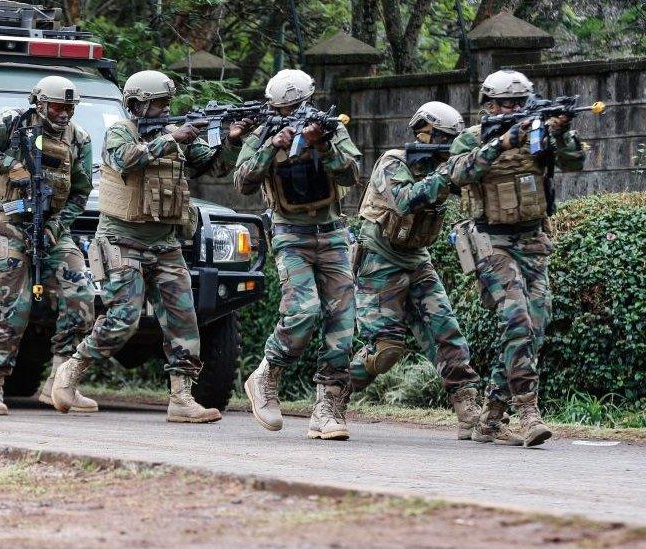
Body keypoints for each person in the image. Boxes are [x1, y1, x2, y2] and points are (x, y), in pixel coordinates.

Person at [52, 70, 253, 423]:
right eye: (158, 104)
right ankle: (69, 373)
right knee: (122, 320)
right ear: (136, 105)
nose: (164, 110)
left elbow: (212, 165)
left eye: (166, 104)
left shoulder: (173, 136)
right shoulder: (120, 133)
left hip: (164, 242)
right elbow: (125, 160)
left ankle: (181, 397)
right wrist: (172, 137)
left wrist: (229, 138)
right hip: (121, 240)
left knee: (183, 319)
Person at [447, 69, 588, 447]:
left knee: (533, 329)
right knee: (517, 323)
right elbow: (458, 173)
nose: (513, 108)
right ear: (488, 105)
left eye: (520, 103)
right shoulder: (471, 139)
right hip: (491, 243)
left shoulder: (540, 136)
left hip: (533, 241)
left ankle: (492, 416)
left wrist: (560, 131)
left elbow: (575, 161)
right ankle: (528, 412)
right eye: (505, 103)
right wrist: (504, 142)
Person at [234, 68, 362, 440]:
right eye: (285, 109)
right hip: (290, 234)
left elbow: (352, 175)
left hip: (333, 234)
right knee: (302, 312)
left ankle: (327, 408)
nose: (293, 114)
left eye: (298, 106)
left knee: (343, 325)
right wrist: (273, 145)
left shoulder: (331, 130)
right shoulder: (263, 134)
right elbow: (243, 182)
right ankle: (267, 374)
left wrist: (322, 144)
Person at [0, 76, 96, 415]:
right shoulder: (13, 123)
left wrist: (56, 225)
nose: (64, 113)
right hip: (10, 226)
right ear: (39, 103)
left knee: (81, 297)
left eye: (70, 107)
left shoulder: (79, 138)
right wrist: (9, 164)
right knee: (15, 309)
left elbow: (80, 192)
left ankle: (60, 384)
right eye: (57, 106)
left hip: (51, 228)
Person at [350, 101, 482, 440]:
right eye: (440, 138)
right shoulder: (394, 161)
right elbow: (405, 200)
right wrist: (446, 174)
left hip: (415, 258)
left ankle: (469, 412)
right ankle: (332, 395)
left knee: (446, 331)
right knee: (386, 349)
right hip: (379, 258)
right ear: (423, 132)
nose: (444, 147)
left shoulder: (444, 168)